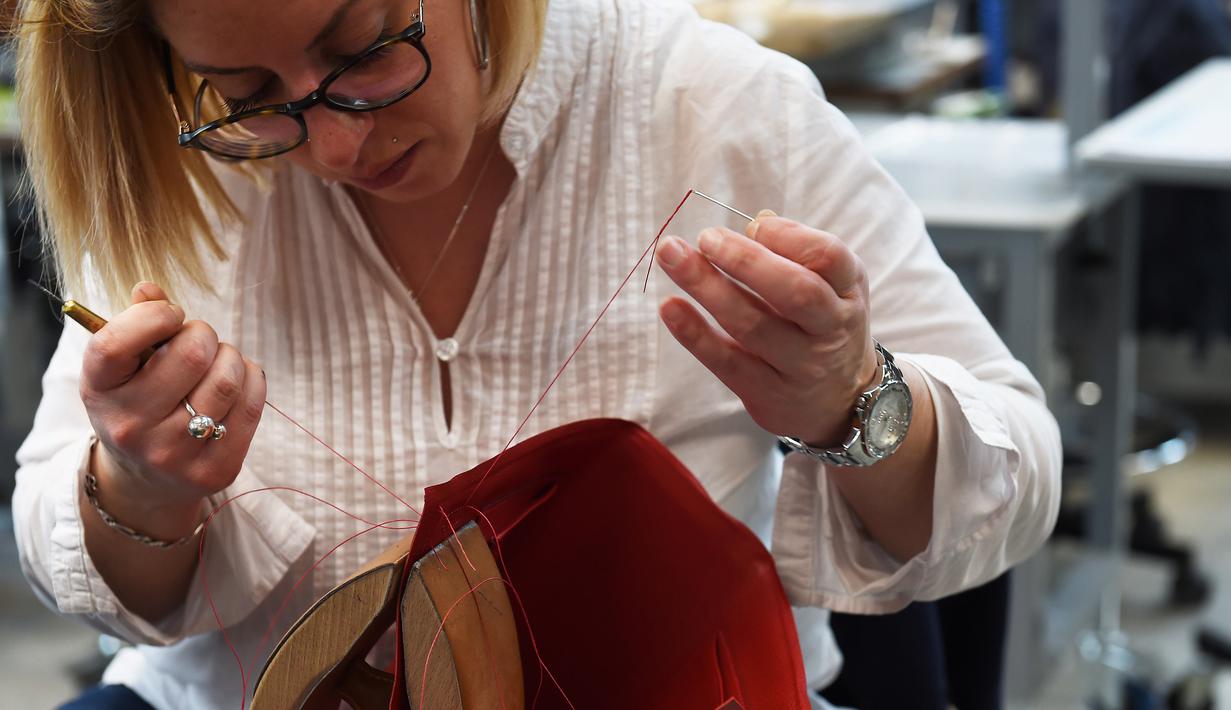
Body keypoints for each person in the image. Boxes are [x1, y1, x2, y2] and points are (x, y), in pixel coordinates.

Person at [11, 0, 1063, 707]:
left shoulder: (710, 109)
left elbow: (1014, 474)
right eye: (246, 94)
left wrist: (854, 401)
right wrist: (140, 489)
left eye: (367, 47)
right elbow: (77, 558)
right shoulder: (179, 167)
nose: (334, 145)